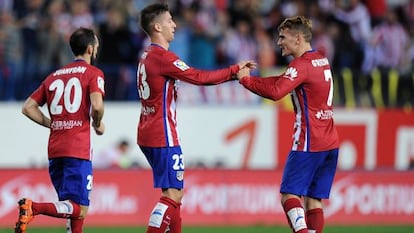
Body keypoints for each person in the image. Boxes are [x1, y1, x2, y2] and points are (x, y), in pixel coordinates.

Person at [137, 3, 255, 233]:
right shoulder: (163, 58)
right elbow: (199, 77)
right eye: (170, 20)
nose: (175, 24)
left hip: (148, 129)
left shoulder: (146, 56)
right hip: (163, 132)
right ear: (157, 26)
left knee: (174, 195)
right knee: (173, 195)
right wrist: (233, 70)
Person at [236, 16, 339, 233]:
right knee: (314, 201)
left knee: (289, 196)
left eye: (283, 37)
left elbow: (276, 91)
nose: (279, 42)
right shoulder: (321, 59)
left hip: (309, 140)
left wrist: (246, 80)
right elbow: (281, 80)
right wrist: (250, 78)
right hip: (330, 141)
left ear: (298, 38)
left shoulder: (300, 65)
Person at [15, 27, 105, 233]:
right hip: (78, 150)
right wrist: (97, 122)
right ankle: (33, 207)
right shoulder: (93, 73)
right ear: (90, 49)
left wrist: (52, 124)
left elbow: (28, 107)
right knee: (80, 209)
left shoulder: (54, 76)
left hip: (55, 150)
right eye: (97, 47)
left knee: (70, 207)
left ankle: (34, 209)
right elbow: (97, 106)